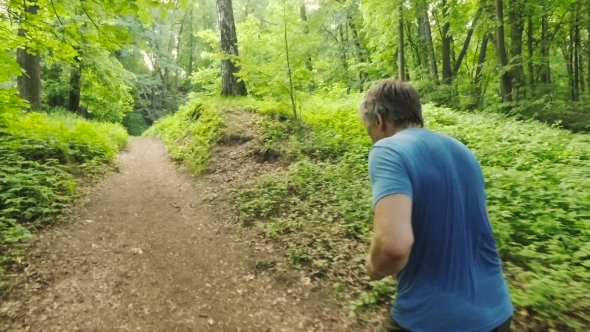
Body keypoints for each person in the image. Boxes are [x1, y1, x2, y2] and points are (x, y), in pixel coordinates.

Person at [360, 79, 513, 332]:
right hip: (497, 312)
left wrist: (373, 267)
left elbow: (393, 247)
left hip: (434, 318)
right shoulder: (462, 150)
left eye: (368, 130)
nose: (372, 139)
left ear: (379, 119)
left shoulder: (388, 150)